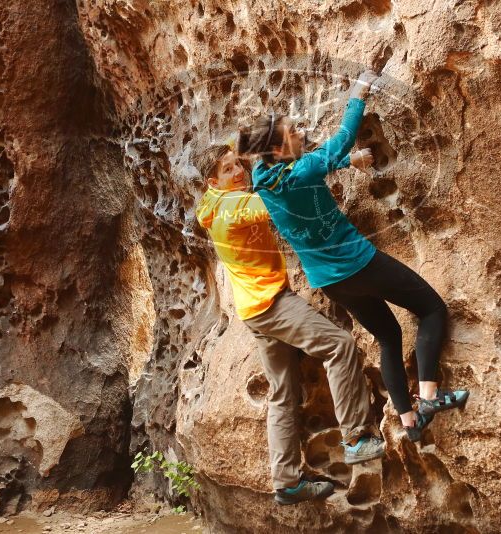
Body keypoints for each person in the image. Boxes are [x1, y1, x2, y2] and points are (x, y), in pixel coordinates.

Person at [237, 70, 469, 443]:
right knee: (431, 308)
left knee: (389, 337)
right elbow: (340, 141)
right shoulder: (300, 170)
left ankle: (409, 422)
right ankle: (429, 396)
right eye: (292, 133)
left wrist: (347, 163)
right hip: (360, 263)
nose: (300, 133)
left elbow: (319, 164)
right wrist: (358, 91)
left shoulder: (266, 177)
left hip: (332, 282)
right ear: (279, 150)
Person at [193, 143, 385, 506]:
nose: (240, 173)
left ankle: (287, 482)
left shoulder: (212, 207)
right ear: (212, 181)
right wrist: (345, 159)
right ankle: (357, 439)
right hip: (273, 305)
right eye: (229, 170)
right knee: (340, 345)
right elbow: (281, 195)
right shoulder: (233, 206)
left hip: (253, 311)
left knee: (283, 394)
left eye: (239, 165)